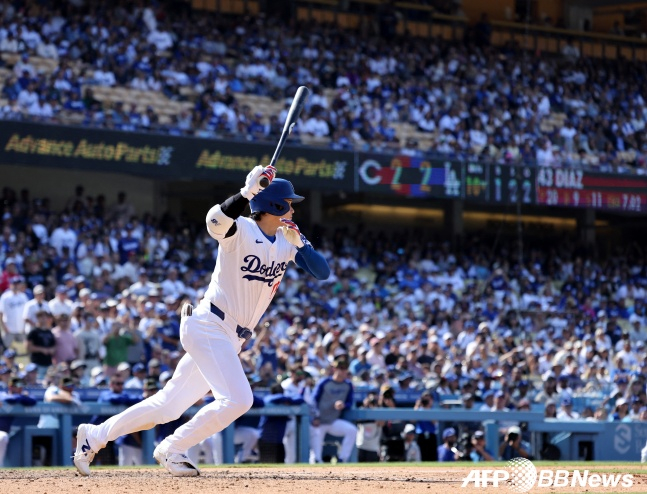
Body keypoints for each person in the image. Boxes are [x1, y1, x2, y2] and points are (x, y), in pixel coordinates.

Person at [73, 166, 330, 476]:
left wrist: (301, 243)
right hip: (210, 324)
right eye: (288, 202)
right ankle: (174, 448)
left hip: (229, 336)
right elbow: (214, 222)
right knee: (238, 399)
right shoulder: (242, 230)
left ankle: (94, 435)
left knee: (167, 406)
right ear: (274, 205)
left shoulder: (289, 240)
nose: (292, 207)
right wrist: (246, 193)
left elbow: (322, 271)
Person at [310, 355, 357, 464]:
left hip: (333, 421)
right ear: (334, 369)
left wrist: (343, 405)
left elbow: (350, 402)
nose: (342, 371)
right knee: (315, 453)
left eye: (344, 369)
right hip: (319, 421)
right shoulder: (324, 382)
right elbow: (313, 401)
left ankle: (342, 459)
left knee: (352, 430)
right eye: (340, 368)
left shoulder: (348, 385)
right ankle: (316, 462)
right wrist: (315, 417)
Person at [257, 383, 304, 463]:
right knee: (265, 467)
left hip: (278, 442)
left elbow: (300, 399)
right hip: (265, 441)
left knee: (279, 467)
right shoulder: (269, 399)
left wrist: (287, 400)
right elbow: (270, 399)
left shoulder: (285, 401)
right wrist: (287, 400)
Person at [0, 376, 37, 466]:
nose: (20, 388)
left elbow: (33, 400)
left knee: (3, 437)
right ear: (10, 387)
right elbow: (9, 399)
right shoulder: (2, 394)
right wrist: (21, 397)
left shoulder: (20, 396)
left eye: (21, 386)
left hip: (2, 432)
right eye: (18, 386)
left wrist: (20, 397)